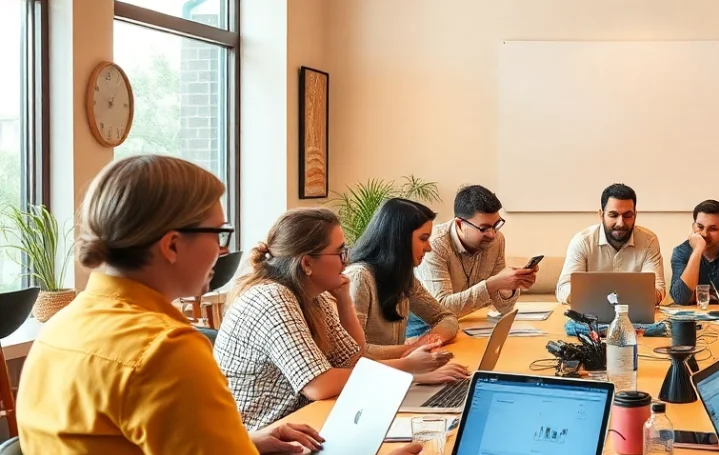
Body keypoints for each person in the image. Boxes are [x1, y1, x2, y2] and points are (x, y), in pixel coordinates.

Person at [15, 155, 422, 455]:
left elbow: (120, 450)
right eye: (218, 233)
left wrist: (246, 443)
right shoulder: (163, 345)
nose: (224, 249)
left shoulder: (62, 325)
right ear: (172, 245)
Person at [216, 208, 459, 430]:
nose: (347, 260)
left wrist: (344, 300)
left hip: (297, 424)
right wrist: (407, 366)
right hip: (258, 437)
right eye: (339, 252)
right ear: (307, 263)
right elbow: (319, 385)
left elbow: (353, 357)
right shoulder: (272, 297)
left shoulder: (312, 295)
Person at [345, 199, 467, 365]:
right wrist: (413, 349)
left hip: (396, 372)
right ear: (398, 239)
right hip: (369, 379)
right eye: (423, 239)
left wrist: (429, 341)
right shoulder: (359, 278)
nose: (429, 248)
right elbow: (352, 352)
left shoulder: (404, 278)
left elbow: (447, 318)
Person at [417, 184, 536, 324]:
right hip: (427, 326)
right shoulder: (435, 244)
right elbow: (440, 309)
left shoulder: (497, 240)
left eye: (496, 225)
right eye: (484, 228)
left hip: (470, 324)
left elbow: (504, 309)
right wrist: (491, 285)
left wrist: (509, 286)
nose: (492, 234)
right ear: (460, 224)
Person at [555, 183, 665, 305]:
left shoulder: (649, 241)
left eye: (627, 215)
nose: (620, 223)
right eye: (613, 215)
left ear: (635, 215)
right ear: (601, 215)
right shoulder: (583, 241)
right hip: (590, 315)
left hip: (635, 317)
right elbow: (563, 288)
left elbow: (658, 288)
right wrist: (591, 295)